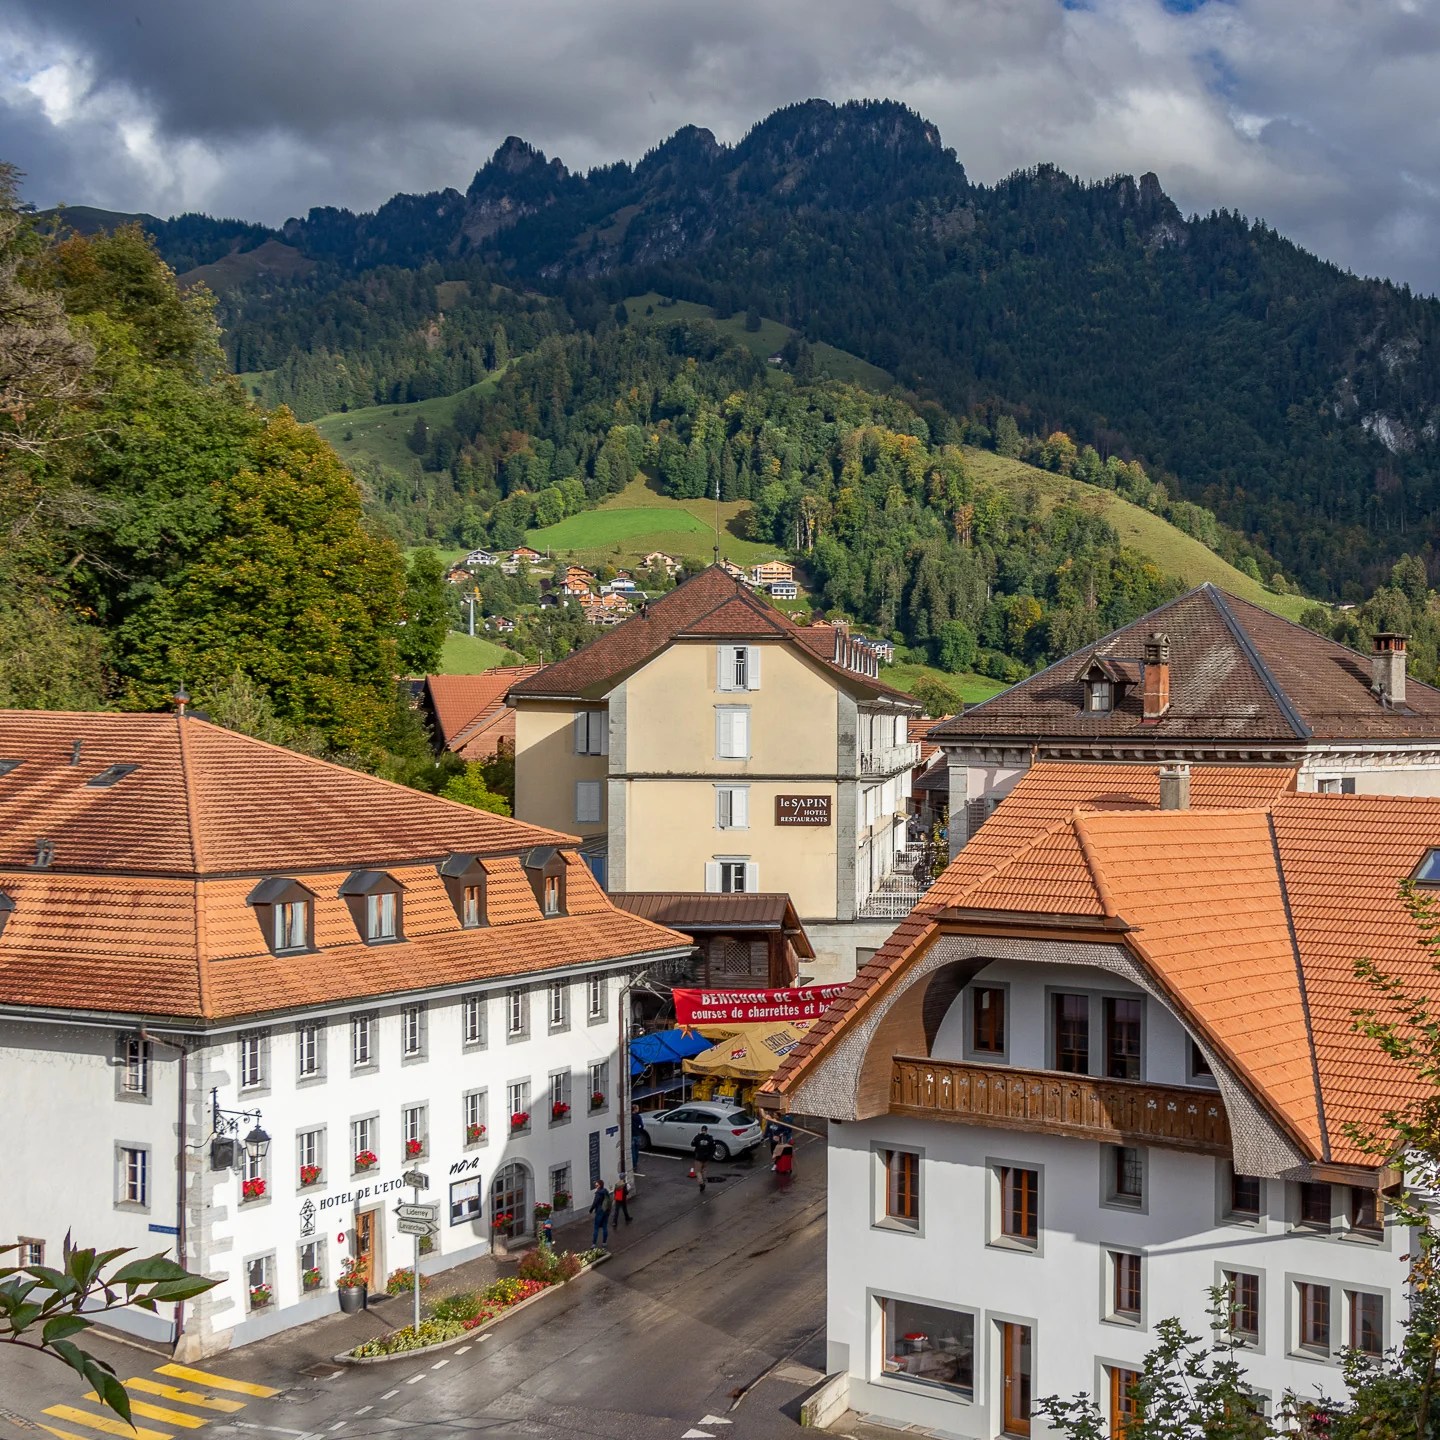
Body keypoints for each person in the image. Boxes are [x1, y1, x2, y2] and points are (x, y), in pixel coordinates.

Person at [691, 1126, 717, 1192]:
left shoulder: (698, 1137)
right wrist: (711, 1155)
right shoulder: (710, 1138)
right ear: (707, 1130)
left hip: (699, 1157)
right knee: (704, 1170)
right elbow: (713, 1147)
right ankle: (704, 1180)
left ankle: (701, 1183)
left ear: (701, 1130)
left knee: (697, 1171)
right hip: (707, 1157)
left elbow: (692, 1144)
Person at [589, 1179, 612, 1245]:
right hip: (606, 1211)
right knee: (604, 1227)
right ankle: (604, 1242)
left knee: (596, 1227)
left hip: (599, 1211)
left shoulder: (598, 1193)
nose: (596, 1186)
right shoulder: (605, 1191)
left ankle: (594, 1244)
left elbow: (595, 1202)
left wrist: (591, 1209)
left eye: (597, 1185)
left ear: (600, 1185)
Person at [630, 1104, 647, 1173]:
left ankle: (633, 1164)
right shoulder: (638, 1117)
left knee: (633, 1151)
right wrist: (639, 1130)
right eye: (637, 1108)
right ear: (635, 1109)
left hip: (632, 1135)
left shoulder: (630, 1117)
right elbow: (642, 1126)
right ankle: (635, 1163)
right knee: (636, 1150)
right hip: (637, 1135)